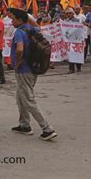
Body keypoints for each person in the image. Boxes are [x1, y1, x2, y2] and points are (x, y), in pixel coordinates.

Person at [9, 8, 57, 141]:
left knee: (29, 99)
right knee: (20, 97)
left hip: (23, 70)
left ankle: (47, 128)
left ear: (20, 20)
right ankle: (24, 124)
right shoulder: (31, 29)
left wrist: (17, 63)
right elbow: (38, 27)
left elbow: (19, 49)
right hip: (32, 68)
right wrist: (24, 15)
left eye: (13, 19)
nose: (12, 21)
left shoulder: (19, 32)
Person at [65, 7, 82, 73]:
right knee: (70, 54)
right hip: (69, 40)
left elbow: (80, 29)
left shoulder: (78, 20)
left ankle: (78, 67)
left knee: (77, 54)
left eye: (70, 13)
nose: (68, 15)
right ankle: (71, 69)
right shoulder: (65, 22)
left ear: (73, 14)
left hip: (77, 40)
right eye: (67, 14)